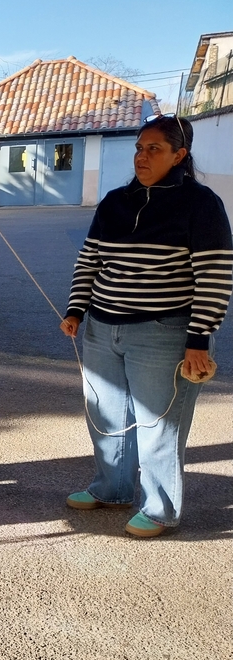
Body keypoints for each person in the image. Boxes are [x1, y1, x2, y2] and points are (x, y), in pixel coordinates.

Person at [60, 116, 233, 537]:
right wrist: (76, 310)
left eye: (154, 148)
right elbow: (90, 261)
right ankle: (112, 489)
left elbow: (214, 276)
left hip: (163, 333)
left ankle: (160, 509)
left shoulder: (201, 204)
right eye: (139, 147)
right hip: (103, 329)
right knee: (106, 415)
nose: (142, 156)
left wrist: (199, 340)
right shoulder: (114, 202)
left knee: (159, 426)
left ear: (179, 155)